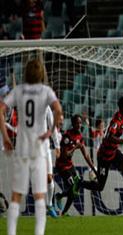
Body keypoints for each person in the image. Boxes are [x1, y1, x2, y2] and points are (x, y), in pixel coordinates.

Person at [0, 59, 62, 235]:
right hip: (40, 150)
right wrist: (50, 132)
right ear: (41, 73)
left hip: (22, 149)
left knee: (16, 196)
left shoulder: (19, 91)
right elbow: (58, 110)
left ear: (26, 73)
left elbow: (1, 110)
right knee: (39, 196)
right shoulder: (46, 91)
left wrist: (5, 137)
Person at [78, 96, 123, 217]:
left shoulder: (122, 118)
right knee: (100, 186)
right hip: (104, 156)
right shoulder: (116, 120)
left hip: (114, 153)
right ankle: (79, 183)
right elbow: (109, 136)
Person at [55, 114, 95, 216]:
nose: (79, 124)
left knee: (76, 188)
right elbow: (64, 155)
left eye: (80, 122)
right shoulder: (67, 136)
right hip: (62, 166)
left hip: (70, 165)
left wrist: (93, 167)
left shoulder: (80, 136)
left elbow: (86, 154)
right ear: (73, 124)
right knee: (73, 187)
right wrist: (75, 147)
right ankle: (59, 196)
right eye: (77, 122)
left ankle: (64, 212)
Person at [45, 106, 61, 218]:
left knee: (49, 177)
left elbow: (52, 125)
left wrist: (57, 145)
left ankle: (49, 205)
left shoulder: (46, 106)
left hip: (44, 147)